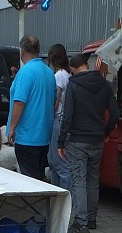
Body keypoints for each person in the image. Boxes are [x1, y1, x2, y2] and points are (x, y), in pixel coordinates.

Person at [59, 53, 119, 233]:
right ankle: (92, 219)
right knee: (93, 179)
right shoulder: (104, 84)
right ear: (87, 64)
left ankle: (80, 223)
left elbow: (67, 116)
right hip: (97, 139)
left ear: (73, 69)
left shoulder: (74, 85)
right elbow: (115, 113)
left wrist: (61, 141)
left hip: (78, 140)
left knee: (79, 181)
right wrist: (106, 132)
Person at [5, 35, 54, 181]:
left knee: (29, 180)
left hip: (27, 135)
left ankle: (33, 204)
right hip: (44, 134)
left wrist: (12, 127)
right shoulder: (49, 72)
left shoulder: (25, 72)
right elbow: (54, 101)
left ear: (23, 51)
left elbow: (19, 102)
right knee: (39, 177)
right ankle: (42, 203)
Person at [47, 44, 70, 190]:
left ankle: (64, 198)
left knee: (59, 164)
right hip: (65, 120)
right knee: (57, 161)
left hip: (58, 119)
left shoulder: (59, 75)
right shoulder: (69, 74)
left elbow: (56, 100)